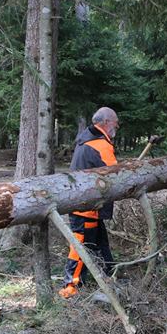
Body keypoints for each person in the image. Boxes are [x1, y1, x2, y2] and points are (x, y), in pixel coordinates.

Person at [59, 107, 119, 299]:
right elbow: (115, 174)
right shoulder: (100, 145)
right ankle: (71, 286)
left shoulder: (85, 140)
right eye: (115, 122)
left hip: (86, 205)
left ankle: (110, 275)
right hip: (87, 208)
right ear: (106, 122)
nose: (117, 126)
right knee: (80, 246)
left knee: (101, 243)